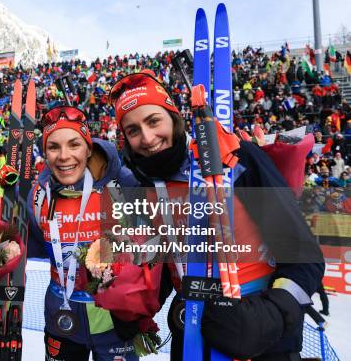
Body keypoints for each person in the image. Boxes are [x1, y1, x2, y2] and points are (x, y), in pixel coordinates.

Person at [109, 71, 325, 361]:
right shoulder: (144, 186)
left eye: (153, 121)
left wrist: (273, 311)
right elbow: (166, 265)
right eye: (133, 130)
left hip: (262, 340)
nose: (147, 138)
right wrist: (130, 304)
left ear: (173, 117)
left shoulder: (238, 159)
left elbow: (303, 253)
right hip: (192, 337)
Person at [26, 105, 150, 361]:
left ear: (88, 148)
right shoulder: (38, 196)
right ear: (45, 154)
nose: (64, 156)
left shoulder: (121, 185)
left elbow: (154, 240)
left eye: (74, 144)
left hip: (114, 320)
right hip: (62, 318)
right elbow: (35, 246)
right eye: (53, 147)